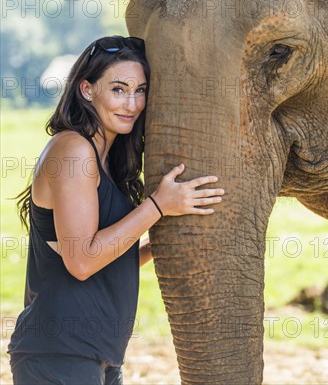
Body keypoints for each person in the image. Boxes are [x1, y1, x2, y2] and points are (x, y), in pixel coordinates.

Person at [7, 35, 225, 385]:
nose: (132, 103)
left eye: (141, 90)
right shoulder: (74, 150)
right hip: (60, 353)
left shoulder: (107, 158)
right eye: (119, 89)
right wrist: (157, 206)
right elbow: (81, 262)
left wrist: (158, 246)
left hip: (96, 354)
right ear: (87, 89)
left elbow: (99, 259)